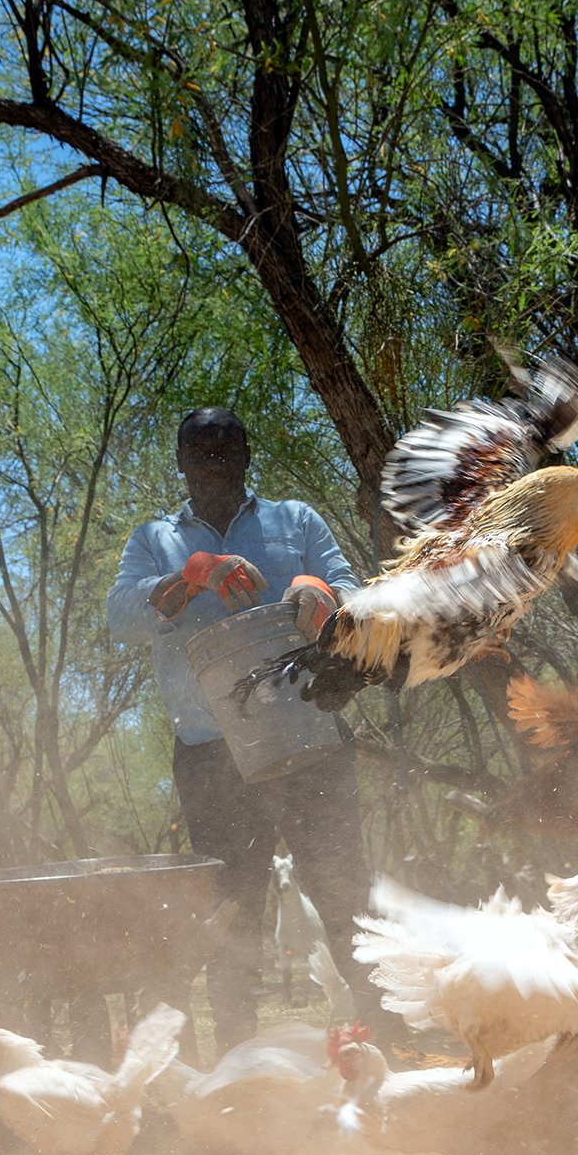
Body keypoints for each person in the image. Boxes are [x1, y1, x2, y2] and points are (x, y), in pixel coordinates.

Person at [107, 407, 395, 1047]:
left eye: (226, 446)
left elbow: (353, 594)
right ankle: (241, 1059)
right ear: (180, 461)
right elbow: (121, 618)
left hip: (310, 737)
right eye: (199, 448)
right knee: (230, 910)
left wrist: (320, 586)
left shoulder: (297, 522)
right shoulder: (154, 540)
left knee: (345, 896)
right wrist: (188, 576)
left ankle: (385, 1044)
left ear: (246, 455)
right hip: (212, 754)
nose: (214, 457)